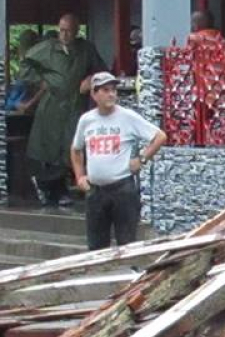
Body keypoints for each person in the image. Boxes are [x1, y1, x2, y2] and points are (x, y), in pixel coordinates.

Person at [70, 72, 168, 250]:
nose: (111, 95)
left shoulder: (127, 117)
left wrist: (142, 159)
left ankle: (129, 274)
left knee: (126, 242)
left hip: (122, 188)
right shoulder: (86, 120)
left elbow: (159, 136)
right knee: (96, 246)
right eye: (105, 90)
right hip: (96, 191)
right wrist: (80, 176)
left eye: (114, 90)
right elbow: (76, 149)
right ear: (94, 94)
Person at [20, 13, 107, 207]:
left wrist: (91, 80)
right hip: (52, 105)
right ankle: (51, 190)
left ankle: (70, 186)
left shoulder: (85, 49)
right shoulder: (47, 48)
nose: (65, 34)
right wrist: (41, 81)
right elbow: (25, 64)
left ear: (77, 31)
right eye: (62, 30)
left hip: (75, 104)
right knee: (48, 148)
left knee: (73, 145)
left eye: (69, 31)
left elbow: (102, 70)